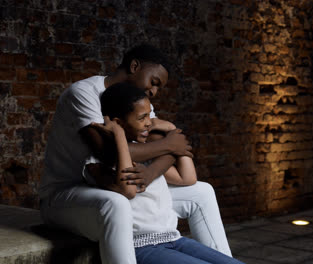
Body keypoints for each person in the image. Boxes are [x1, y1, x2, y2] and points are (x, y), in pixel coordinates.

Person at [39, 44, 231, 264]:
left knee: (201, 192)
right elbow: (107, 151)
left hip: (122, 181)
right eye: (154, 82)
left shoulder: (139, 102)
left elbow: (163, 145)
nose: (154, 92)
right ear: (134, 66)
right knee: (116, 202)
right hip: (72, 193)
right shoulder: (84, 93)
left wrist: (150, 172)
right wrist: (170, 144)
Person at [89, 82, 244, 264]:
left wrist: (171, 129)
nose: (149, 122)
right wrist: (119, 136)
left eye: (150, 115)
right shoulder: (99, 164)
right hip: (140, 246)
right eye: (142, 117)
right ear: (118, 123)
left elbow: (188, 178)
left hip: (174, 239)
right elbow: (128, 190)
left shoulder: (147, 153)